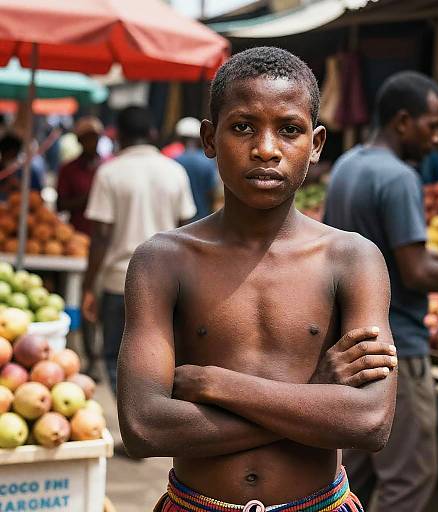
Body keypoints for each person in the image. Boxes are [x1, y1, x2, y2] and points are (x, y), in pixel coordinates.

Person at [117, 47, 398, 512]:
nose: (266, 148)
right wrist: (316, 399)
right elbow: (145, 427)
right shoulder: (162, 261)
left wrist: (215, 384)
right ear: (210, 138)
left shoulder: (351, 259)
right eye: (243, 126)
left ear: (316, 143)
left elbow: (370, 423)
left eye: (289, 130)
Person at [323, 71, 438, 512]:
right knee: (412, 476)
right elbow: (415, 271)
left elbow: (382, 248)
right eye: (433, 125)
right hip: (398, 349)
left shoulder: (350, 165)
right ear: (403, 121)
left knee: (354, 473)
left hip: (352, 345)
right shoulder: (400, 177)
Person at [81, 106, 196, 396]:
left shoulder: (109, 173)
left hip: (117, 282)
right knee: (159, 360)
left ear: (118, 135)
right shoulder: (174, 171)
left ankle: (130, 425)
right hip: (166, 284)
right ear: (153, 134)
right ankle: (147, 425)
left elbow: (101, 237)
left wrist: (88, 287)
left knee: (114, 357)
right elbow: (187, 230)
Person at [57, 116, 104, 381]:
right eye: (86, 138)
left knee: (98, 300)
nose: (90, 143)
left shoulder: (108, 167)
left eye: (94, 138)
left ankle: (101, 355)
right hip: (77, 241)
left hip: (102, 244)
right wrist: (87, 200)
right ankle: (88, 354)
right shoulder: (68, 169)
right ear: (78, 141)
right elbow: (61, 205)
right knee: (85, 299)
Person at [174, 117, 219, 221]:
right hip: (204, 218)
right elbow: (212, 192)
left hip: (182, 220)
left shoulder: (175, 161)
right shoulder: (207, 161)